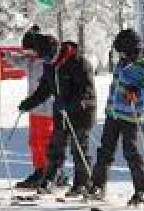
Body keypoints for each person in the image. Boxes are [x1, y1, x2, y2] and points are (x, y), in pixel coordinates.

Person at [86, 28, 144, 206]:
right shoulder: (122, 63)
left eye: (122, 52)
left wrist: (138, 93)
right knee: (105, 151)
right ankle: (98, 186)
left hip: (131, 115)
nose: (120, 55)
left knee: (131, 153)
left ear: (131, 50)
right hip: (113, 113)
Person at [17, 31, 96, 197]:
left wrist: (70, 105)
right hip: (61, 111)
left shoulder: (78, 62)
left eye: (48, 57)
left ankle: (82, 183)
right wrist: (29, 103)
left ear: (56, 50)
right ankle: (50, 179)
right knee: (55, 146)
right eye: (44, 58)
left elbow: (87, 92)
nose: (47, 60)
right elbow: (45, 89)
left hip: (82, 111)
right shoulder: (49, 65)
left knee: (79, 147)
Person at [14, 26, 55, 190]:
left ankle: (49, 171)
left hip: (47, 110)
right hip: (34, 110)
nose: (27, 54)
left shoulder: (46, 63)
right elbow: (18, 61)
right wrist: (5, 56)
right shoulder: (30, 61)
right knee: (34, 141)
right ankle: (39, 169)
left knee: (45, 142)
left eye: (29, 51)